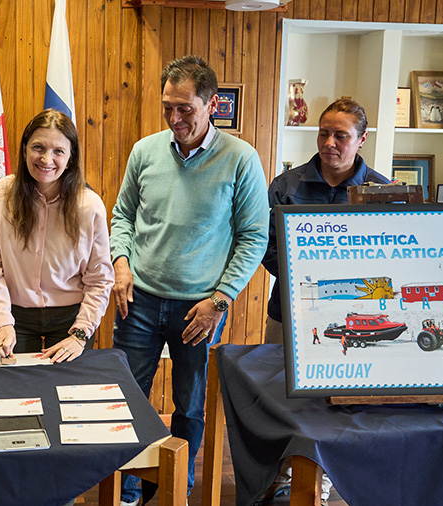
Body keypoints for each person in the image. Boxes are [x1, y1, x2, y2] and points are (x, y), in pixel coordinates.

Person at [110, 55, 269, 505]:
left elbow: (254, 235)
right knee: (129, 399)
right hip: (137, 300)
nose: (175, 118)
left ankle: (175, 486)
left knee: (190, 405)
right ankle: (128, 489)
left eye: (185, 108)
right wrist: (121, 263)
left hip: (199, 307)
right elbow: (122, 216)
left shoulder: (241, 159)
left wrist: (221, 299)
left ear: (211, 104)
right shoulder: (145, 151)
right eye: (168, 107)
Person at [258, 98, 390, 506]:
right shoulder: (287, 185)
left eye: (341, 135)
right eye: (323, 133)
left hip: (356, 319)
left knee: (340, 403)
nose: (329, 143)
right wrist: (311, 280)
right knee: (281, 399)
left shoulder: (383, 192)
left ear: (362, 139)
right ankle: (279, 477)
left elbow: (390, 258)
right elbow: (266, 247)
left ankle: (326, 477)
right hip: (290, 314)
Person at [0, 109, 114, 365]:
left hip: (71, 320)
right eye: (38, 147)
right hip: (13, 315)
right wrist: (1, 321)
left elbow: (100, 279)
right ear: (25, 149)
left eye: (58, 151)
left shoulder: (90, 206)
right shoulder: (1, 194)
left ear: (71, 157)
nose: (46, 159)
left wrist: (81, 333)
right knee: (14, 393)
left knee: (67, 396)